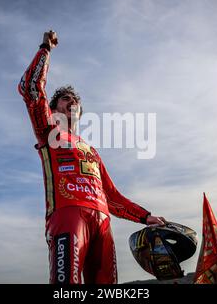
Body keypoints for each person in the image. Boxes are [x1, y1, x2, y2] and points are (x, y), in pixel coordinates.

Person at [17, 30, 166, 284]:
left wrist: (144, 216)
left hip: (103, 223)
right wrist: (45, 48)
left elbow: (112, 197)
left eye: (75, 100)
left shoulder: (91, 151)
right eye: (66, 99)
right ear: (53, 110)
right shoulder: (48, 132)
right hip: (68, 217)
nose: (72, 101)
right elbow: (30, 88)